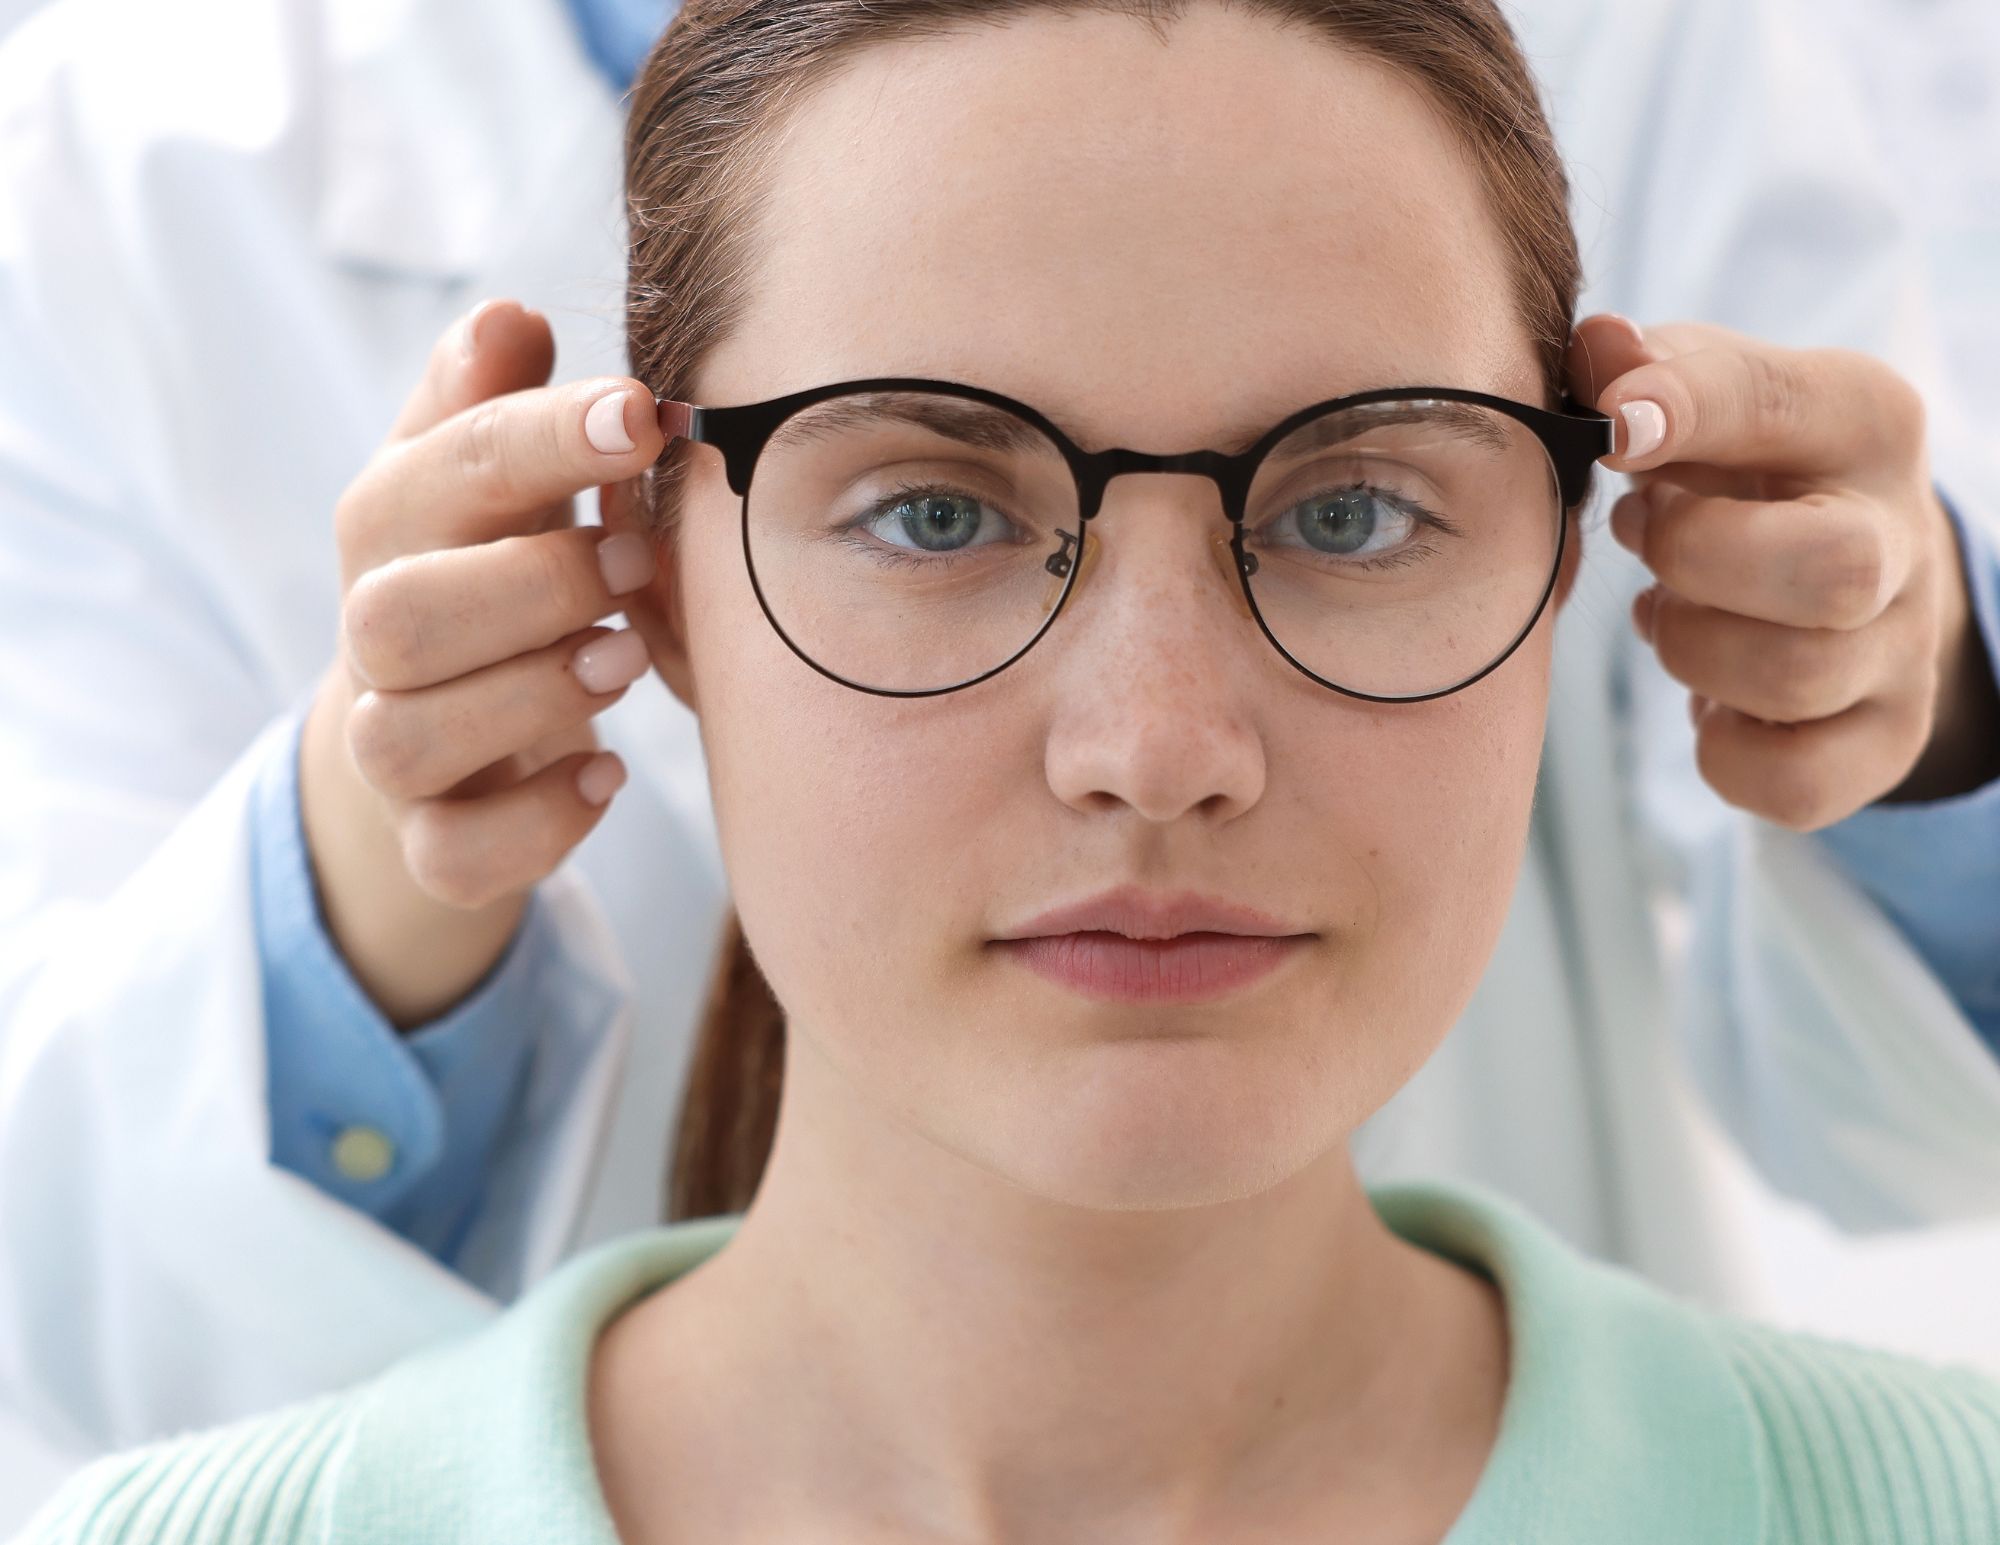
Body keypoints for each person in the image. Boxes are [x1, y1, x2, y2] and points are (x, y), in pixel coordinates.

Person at [20, 4, 2000, 1540]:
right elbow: (89, 1269)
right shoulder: (115, 163)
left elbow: (1897, 1100)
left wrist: (1925, 695)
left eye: (1357, 507)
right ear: (645, 576)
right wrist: (375, 841)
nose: (1158, 752)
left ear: (1572, 543)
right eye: (926, 514)